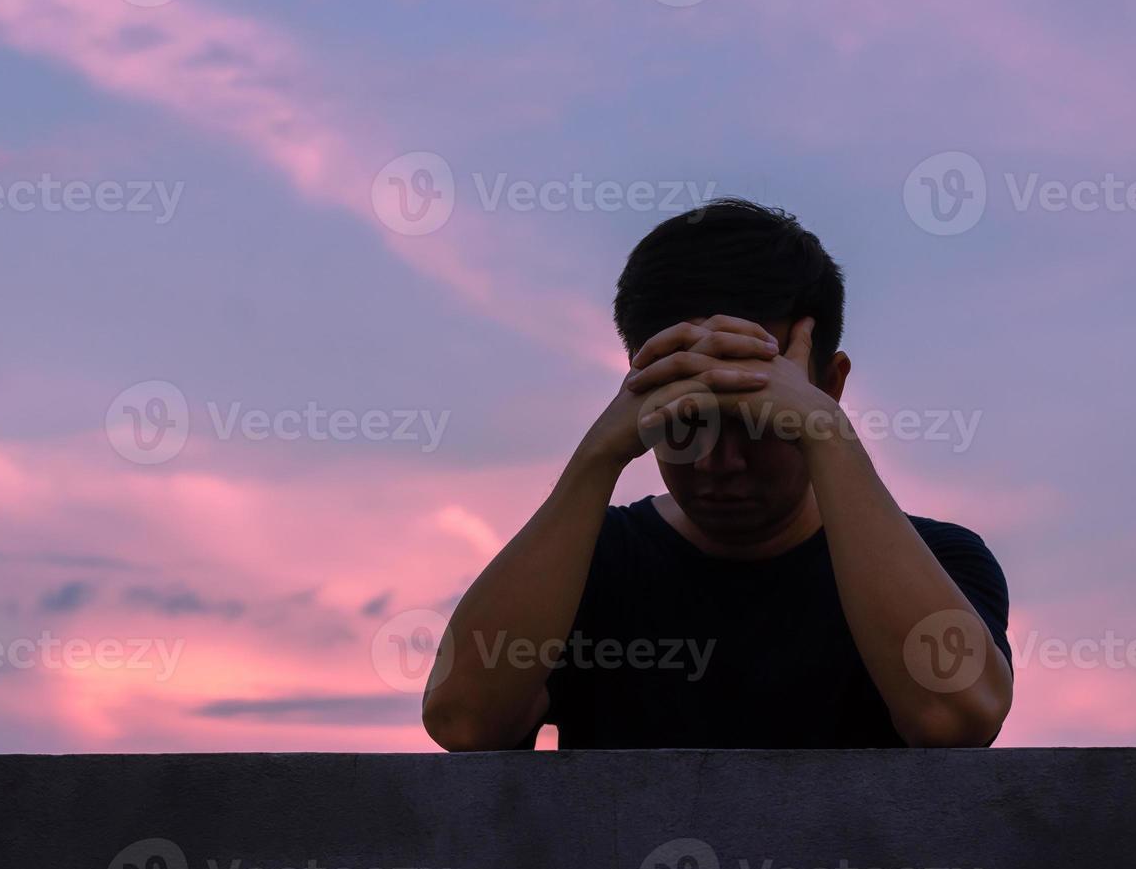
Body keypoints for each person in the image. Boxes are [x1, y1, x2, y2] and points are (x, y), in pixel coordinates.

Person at [421, 199, 1014, 750]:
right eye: (685, 423)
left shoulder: (941, 562)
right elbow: (464, 719)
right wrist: (598, 457)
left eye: (759, 422)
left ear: (830, 385)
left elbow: (956, 719)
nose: (718, 463)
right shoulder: (588, 564)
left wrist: (826, 433)